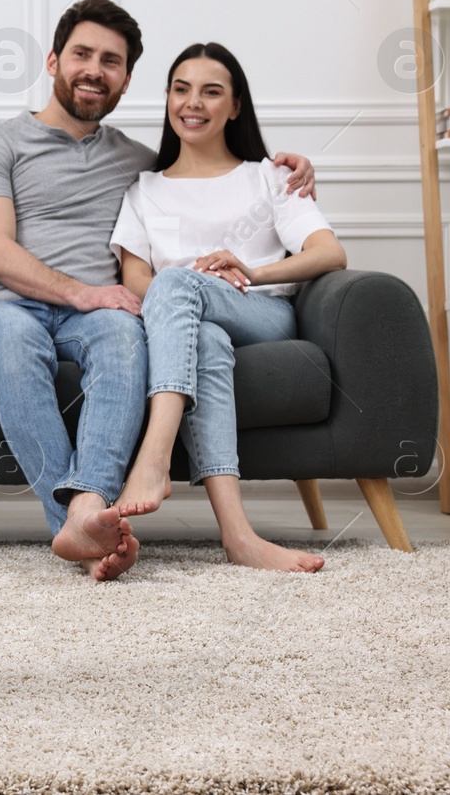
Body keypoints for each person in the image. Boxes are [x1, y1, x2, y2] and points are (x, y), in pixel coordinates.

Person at [0, 0, 314, 581]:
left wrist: (285, 165)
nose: (95, 69)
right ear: (52, 61)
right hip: (3, 307)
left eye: (112, 61)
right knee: (20, 341)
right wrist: (83, 293)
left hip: (100, 314)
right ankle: (74, 519)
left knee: (125, 339)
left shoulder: (139, 165)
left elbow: (202, 167)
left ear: (125, 80)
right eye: (82, 54)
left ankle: (90, 510)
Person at [110, 42, 345, 572]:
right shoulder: (144, 189)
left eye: (211, 91)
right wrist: (182, 294)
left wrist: (251, 273)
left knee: (175, 282)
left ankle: (154, 459)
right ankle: (239, 537)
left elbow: (329, 252)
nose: (193, 103)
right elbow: (135, 279)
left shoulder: (269, 176)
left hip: (260, 312)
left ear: (235, 106)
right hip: (186, 322)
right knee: (195, 323)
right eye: (181, 89)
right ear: (168, 99)